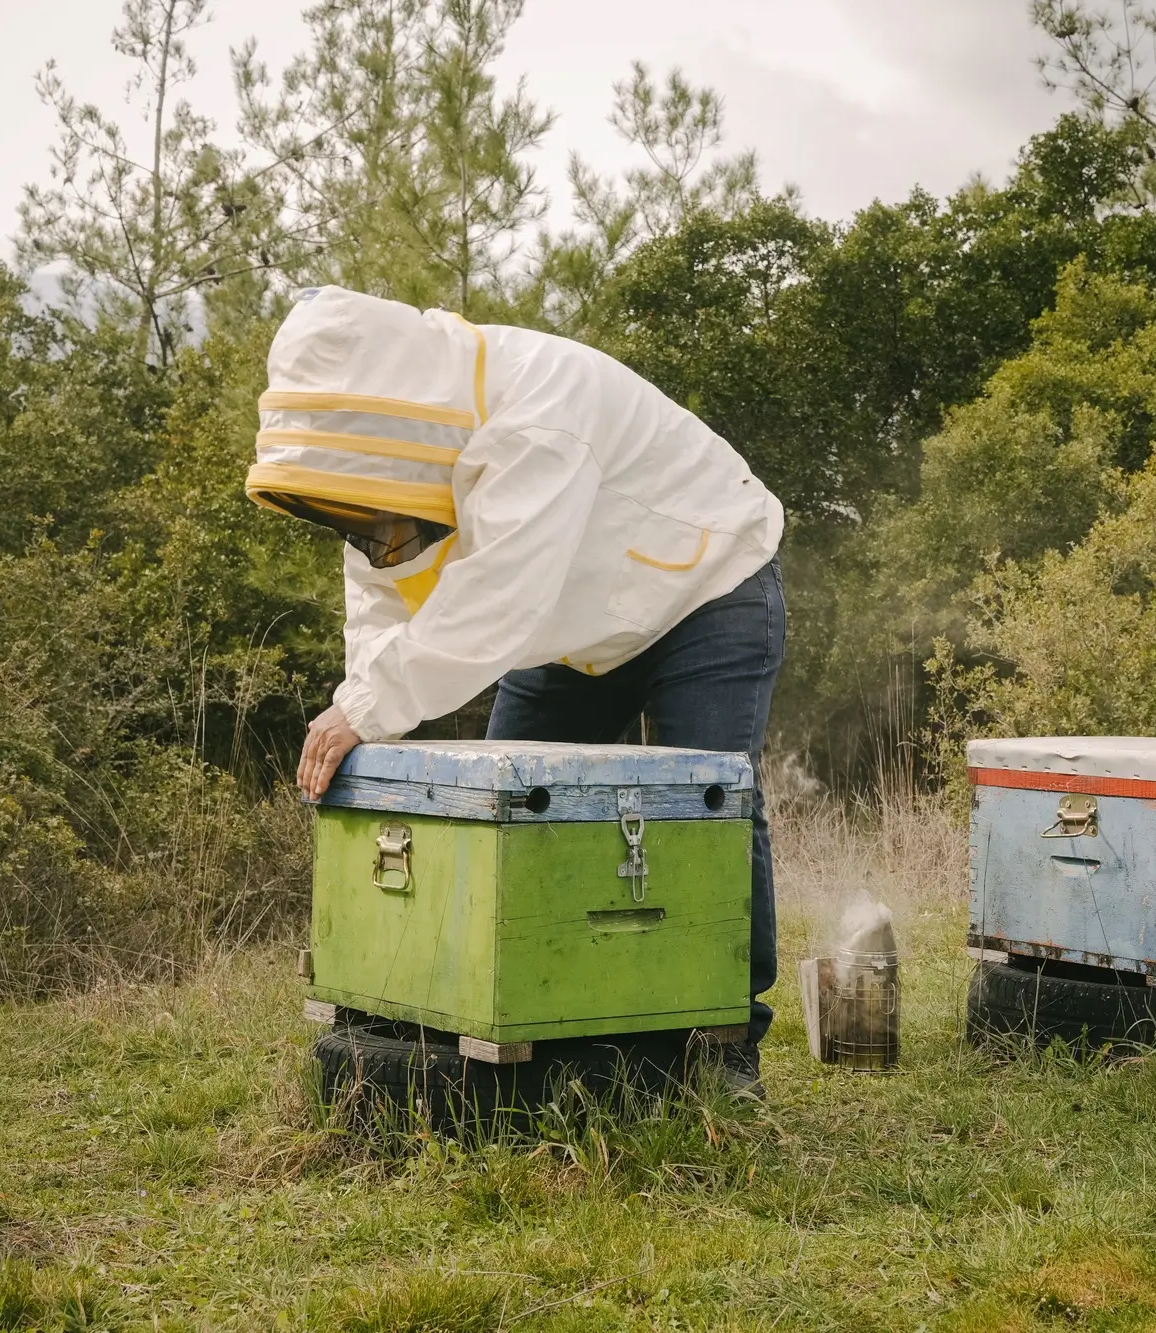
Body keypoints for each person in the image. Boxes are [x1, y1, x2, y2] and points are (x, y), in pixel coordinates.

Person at [247, 285, 786, 1091]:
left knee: (704, 809)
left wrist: (363, 710)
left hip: (706, 588)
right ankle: (537, 1018)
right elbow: (378, 603)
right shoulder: (382, 467)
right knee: (514, 809)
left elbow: (495, 603)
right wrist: (369, 720)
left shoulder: (537, 414)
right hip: (572, 627)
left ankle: (724, 1048)